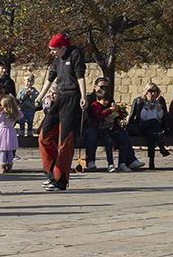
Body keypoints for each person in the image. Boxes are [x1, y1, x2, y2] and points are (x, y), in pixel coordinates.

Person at [35, 32, 87, 191]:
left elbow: (80, 76)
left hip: (72, 98)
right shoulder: (58, 59)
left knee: (64, 141)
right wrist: (39, 97)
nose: (52, 52)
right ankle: (52, 173)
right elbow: (50, 78)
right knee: (44, 136)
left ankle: (61, 180)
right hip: (59, 98)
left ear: (63, 47)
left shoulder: (76, 54)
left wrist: (84, 96)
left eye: (54, 49)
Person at [84, 78, 142, 172]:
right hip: (93, 125)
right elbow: (91, 115)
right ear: (95, 87)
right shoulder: (90, 99)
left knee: (123, 134)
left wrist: (116, 114)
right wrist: (109, 112)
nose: (104, 88)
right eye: (101, 86)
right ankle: (91, 161)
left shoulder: (109, 97)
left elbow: (117, 112)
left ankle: (129, 160)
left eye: (106, 87)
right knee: (92, 135)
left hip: (108, 127)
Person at [128, 83, 169, 168]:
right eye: (150, 91)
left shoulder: (160, 101)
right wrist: (147, 106)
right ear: (146, 92)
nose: (153, 94)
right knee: (154, 122)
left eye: (155, 91)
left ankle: (151, 161)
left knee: (151, 134)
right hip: (142, 126)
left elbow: (160, 117)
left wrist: (158, 107)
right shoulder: (140, 101)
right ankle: (161, 147)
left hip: (154, 129)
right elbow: (142, 117)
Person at [0, 94, 20, 174]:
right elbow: (20, 115)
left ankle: (2, 167)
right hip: (11, 131)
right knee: (10, 150)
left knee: (3, 150)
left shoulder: (4, 114)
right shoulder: (14, 113)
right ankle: (10, 166)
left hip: (3, 131)